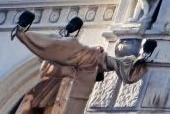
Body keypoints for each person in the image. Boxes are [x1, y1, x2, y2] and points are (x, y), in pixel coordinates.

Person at [11, 16, 154, 114]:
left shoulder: (84, 54)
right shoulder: (90, 56)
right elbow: (120, 66)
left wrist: (22, 33)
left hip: (61, 99)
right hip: (61, 99)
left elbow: (44, 45)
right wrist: (141, 59)